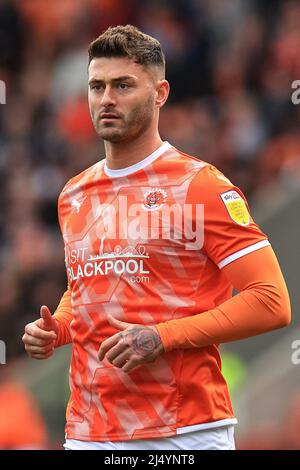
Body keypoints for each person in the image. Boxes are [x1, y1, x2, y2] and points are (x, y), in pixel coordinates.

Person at [22, 25, 291, 451]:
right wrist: (58, 327)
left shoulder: (200, 186)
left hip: (184, 432)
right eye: (97, 86)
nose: (106, 98)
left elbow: (272, 302)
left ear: (160, 93)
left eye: (123, 85)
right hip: (87, 432)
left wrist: (162, 337)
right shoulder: (73, 193)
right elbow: (90, 287)